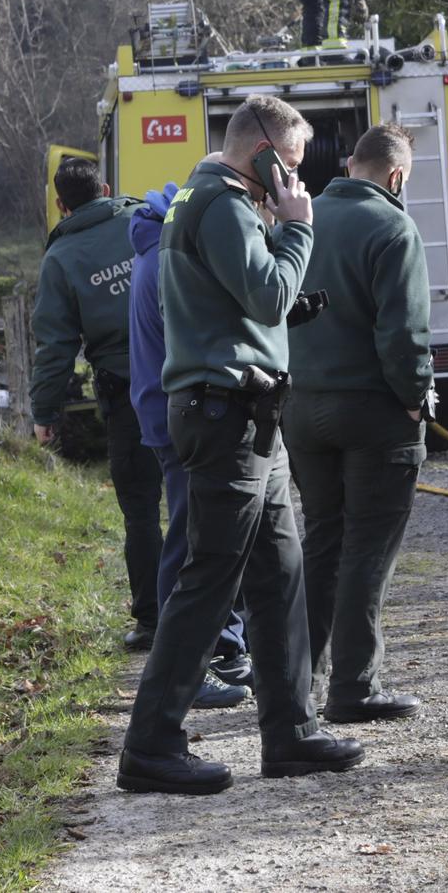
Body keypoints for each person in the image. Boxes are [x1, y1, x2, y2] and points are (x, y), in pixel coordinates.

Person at [116, 95, 364, 795]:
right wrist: (298, 230)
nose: (294, 179)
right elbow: (265, 293)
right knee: (210, 581)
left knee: (280, 575)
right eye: (288, 163)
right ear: (258, 151)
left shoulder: (219, 199)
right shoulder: (222, 202)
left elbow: (247, 301)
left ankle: (290, 730)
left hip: (252, 413)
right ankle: (151, 743)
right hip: (224, 414)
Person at [285, 123, 432, 723]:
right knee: (369, 548)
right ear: (396, 176)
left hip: (302, 408)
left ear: (349, 164)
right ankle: (355, 686)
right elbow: (404, 333)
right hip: (371, 410)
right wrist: (415, 397)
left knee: (322, 542)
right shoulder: (394, 227)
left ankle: (299, 682)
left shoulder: (300, 221)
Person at [126, 181, 253, 711]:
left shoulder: (153, 252)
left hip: (162, 409)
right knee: (187, 542)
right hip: (179, 413)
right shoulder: (166, 262)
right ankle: (187, 669)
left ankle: (221, 648)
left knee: (196, 533)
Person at [30, 157, 161, 648]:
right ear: (106, 188)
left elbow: (55, 347)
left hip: (127, 393)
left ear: (61, 206)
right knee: (200, 499)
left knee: (142, 510)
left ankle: (151, 620)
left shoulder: (61, 260)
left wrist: (45, 414)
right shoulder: (146, 218)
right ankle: (223, 611)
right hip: (186, 378)